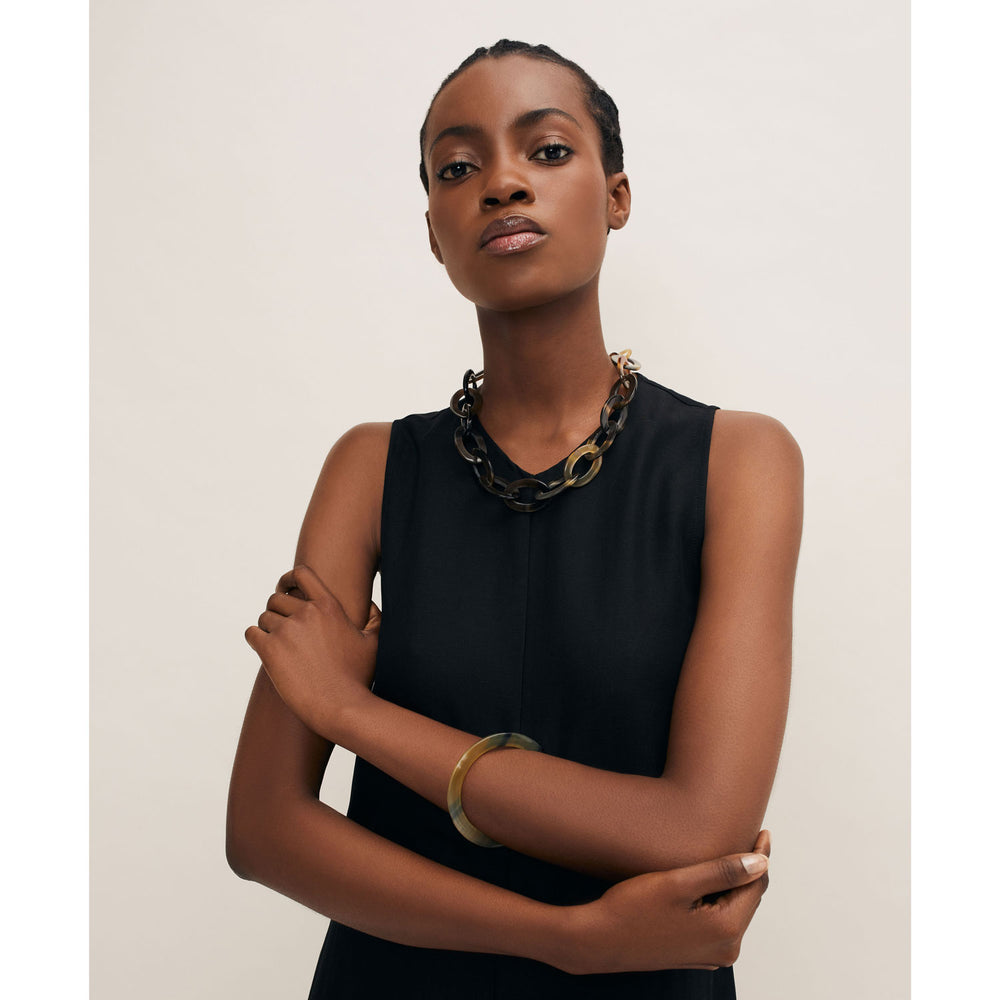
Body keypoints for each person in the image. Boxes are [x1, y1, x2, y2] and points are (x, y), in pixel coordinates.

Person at [227, 39, 803, 998]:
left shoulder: (740, 462)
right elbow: (262, 832)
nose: (501, 184)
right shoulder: (369, 467)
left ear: (616, 196)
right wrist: (567, 937)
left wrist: (352, 714)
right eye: (459, 168)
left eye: (545, 151)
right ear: (433, 230)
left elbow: (699, 829)